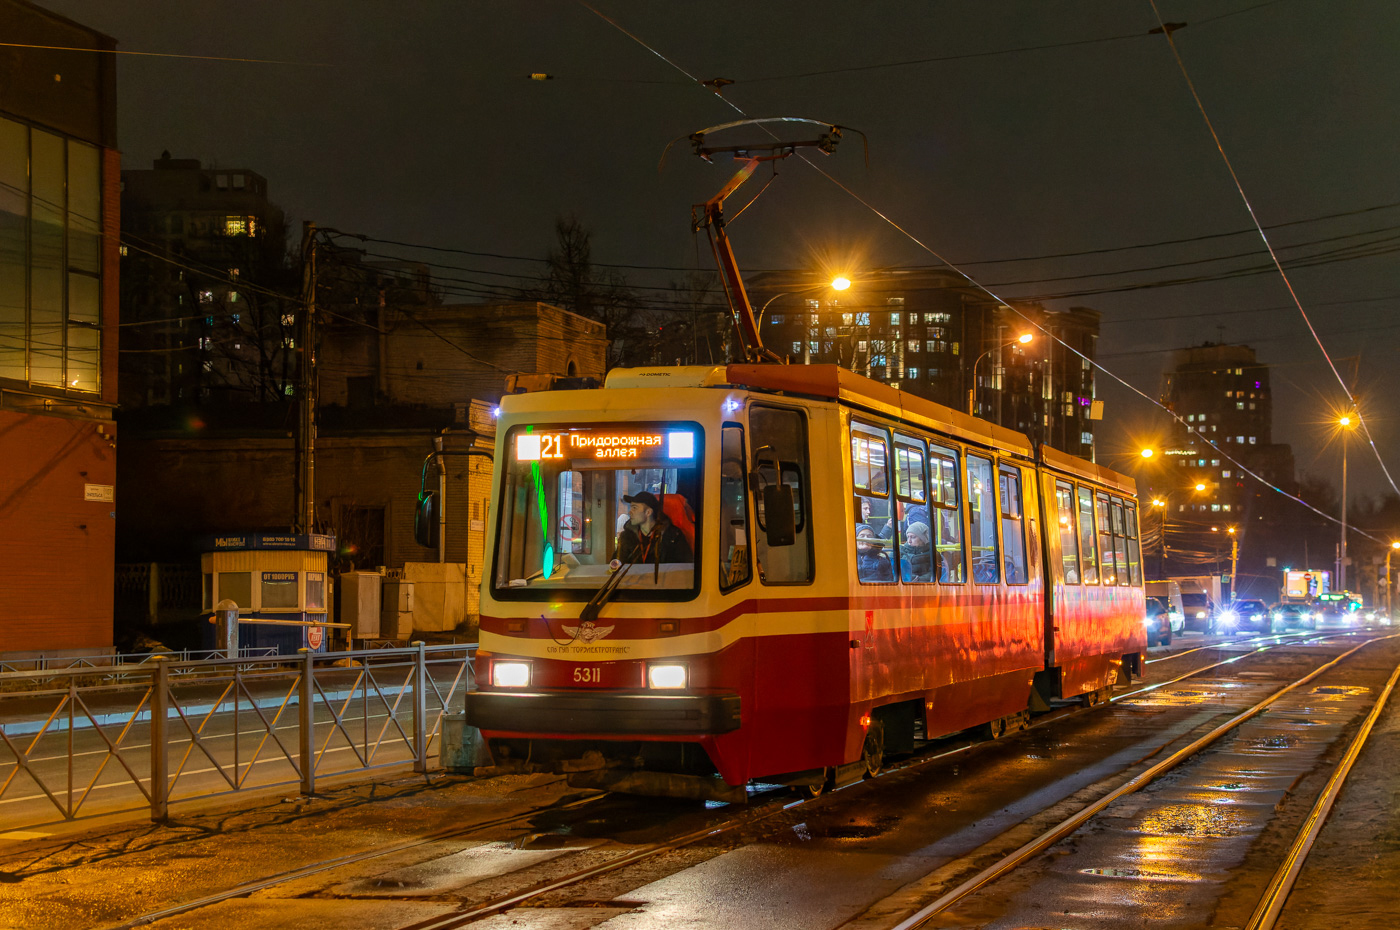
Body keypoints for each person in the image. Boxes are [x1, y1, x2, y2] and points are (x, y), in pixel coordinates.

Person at [616, 491, 693, 564]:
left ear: (648, 512)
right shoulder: (627, 537)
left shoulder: (673, 535)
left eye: (634, 508)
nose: (630, 512)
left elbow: (685, 568)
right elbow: (616, 566)